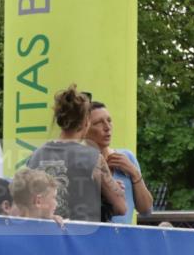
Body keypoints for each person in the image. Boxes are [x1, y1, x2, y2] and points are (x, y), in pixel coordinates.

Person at [27, 85, 127, 221]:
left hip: (42, 236)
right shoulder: (93, 158)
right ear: (86, 121)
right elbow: (121, 207)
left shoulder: (35, 156)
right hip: (81, 238)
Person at [85, 101, 153, 224]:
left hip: (124, 239)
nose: (107, 127)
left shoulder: (127, 157)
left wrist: (134, 173)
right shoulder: (80, 163)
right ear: (84, 128)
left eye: (109, 120)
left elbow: (146, 210)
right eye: (98, 123)